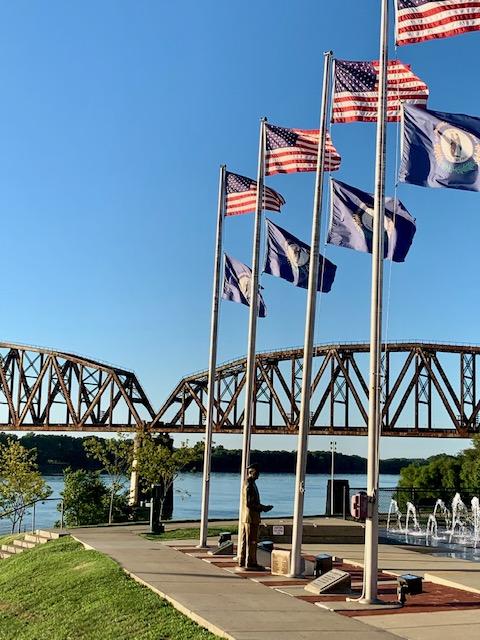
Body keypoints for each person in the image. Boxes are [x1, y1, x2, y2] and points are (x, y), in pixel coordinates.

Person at [238, 463, 273, 570]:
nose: (259, 475)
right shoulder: (249, 484)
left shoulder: (249, 483)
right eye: (257, 472)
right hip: (251, 518)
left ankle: (243, 560)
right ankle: (250, 562)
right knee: (252, 541)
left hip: (248, 517)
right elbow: (250, 503)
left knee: (246, 540)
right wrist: (263, 508)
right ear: (251, 472)